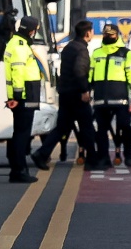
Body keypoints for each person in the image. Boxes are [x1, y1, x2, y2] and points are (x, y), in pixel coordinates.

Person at [31, 20, 97, 172]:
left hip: (65, 93)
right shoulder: (81, 50)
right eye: (92, 31)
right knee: (86, 126)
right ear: (87, 33)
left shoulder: (68, 47)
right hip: (77, 94)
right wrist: (84, 90)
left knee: (61, 127)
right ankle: (92, 159)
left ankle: (41, 154)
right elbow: (79, 71)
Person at [3, 14, 44, 183]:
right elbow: (18, 72)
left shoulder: (16, 43)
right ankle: (19, 170)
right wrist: (18, 97)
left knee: (19, 133)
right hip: (25, 96)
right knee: (22, 135)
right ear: (31, 31)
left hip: (23, 96)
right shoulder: (20, 46)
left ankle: (17, 170)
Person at [89, 23, 131, 170]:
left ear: (117, 35)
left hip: (120, 98)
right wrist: (86, 88)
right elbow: (90, 75)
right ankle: (104, 158)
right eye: (106, 34)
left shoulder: (125, 53)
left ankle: (128, 155)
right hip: (100, 99)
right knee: (101, 130)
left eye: (111, 35)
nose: (108, 37)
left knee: (125, 127)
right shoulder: (96, 53)